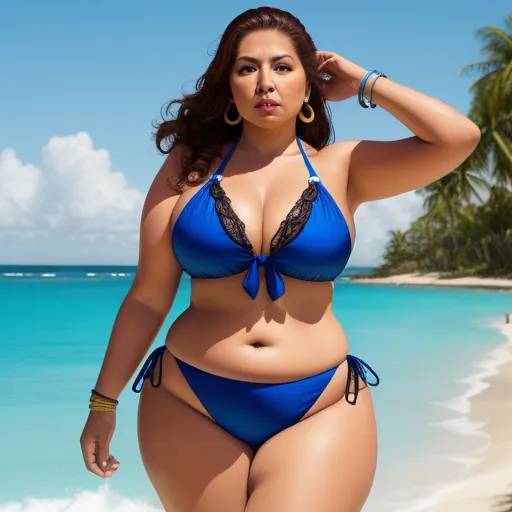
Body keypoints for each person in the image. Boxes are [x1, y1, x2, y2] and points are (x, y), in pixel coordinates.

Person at [79, 6, 480, 511]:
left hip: (321, 404)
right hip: (188, 400)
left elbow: (458, 137)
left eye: (283, 67)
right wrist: (103, 402)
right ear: (229, 87)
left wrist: (363, 81)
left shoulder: (344, 167)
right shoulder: (189, 166)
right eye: (247, 68)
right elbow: (148, 296)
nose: (265, 82)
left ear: (309, 86)